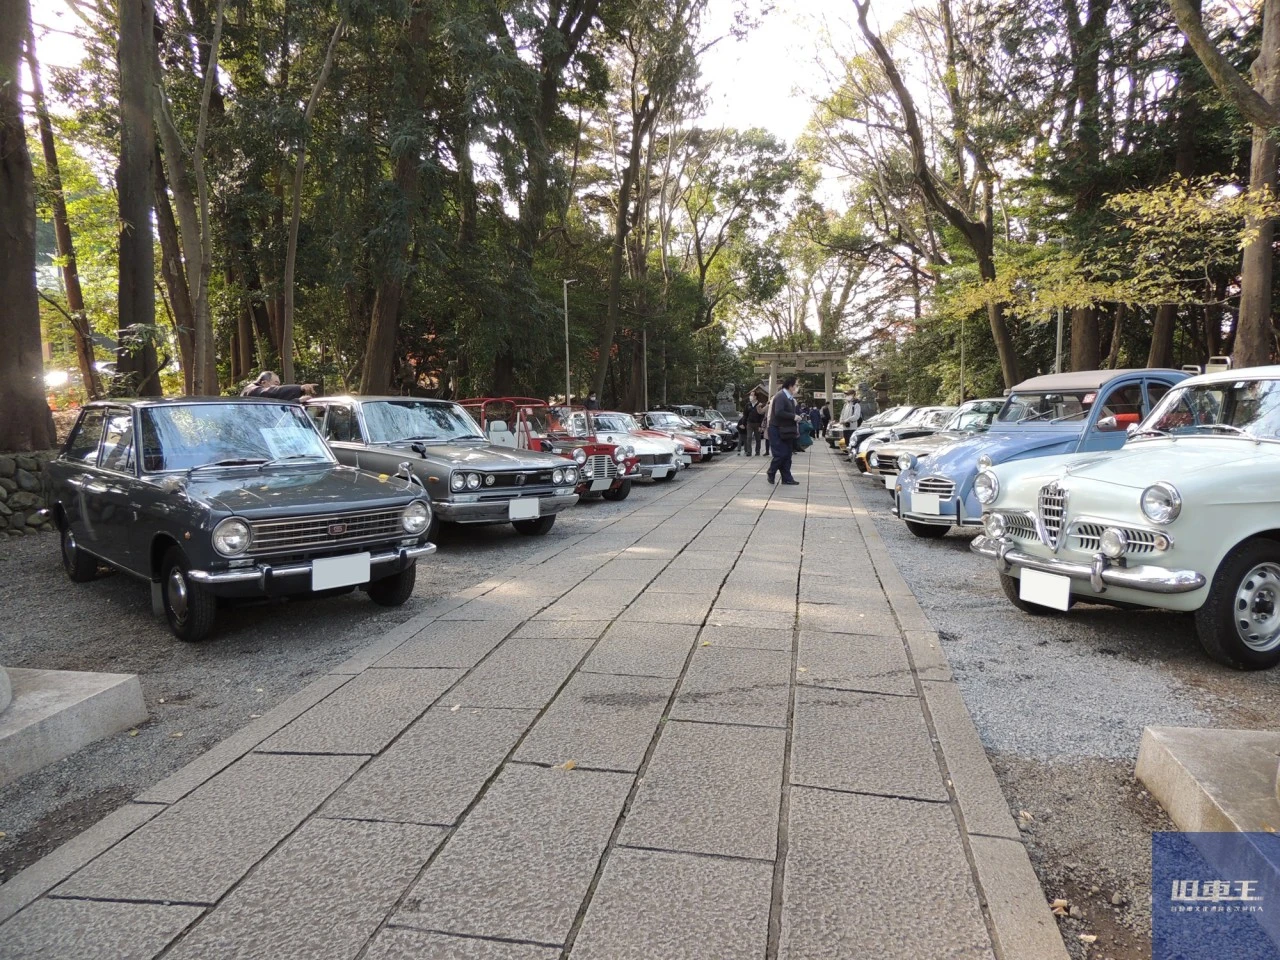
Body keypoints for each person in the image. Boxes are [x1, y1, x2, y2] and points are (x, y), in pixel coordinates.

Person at [767, 376, 802, 485]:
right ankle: (771, 472)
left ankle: (787, 478)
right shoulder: (780, 396)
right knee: (780, 454)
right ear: (790, 386)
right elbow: (779, 412)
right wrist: (793, 416)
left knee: (787, 455)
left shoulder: (790, 398)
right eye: (796, 385)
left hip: (787, 430)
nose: (797, 387)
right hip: (776, 429)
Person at [240, 371, 317, 400]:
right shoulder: (251, 390)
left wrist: (298, 401)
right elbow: (273, 392)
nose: (277, 387)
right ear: (264, 383)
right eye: (276, 384)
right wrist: (300, 388)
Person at [746, 389, 766, 456]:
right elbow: (745, 414)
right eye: (750, 395)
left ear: (755, 397)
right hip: (749, 423)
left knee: (758, 439)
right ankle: (749, 452)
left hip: (757, 424)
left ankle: (757, 451)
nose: (750, 396)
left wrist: (760, 425)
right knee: (749, 437)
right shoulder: (748, 405)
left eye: (751, 395)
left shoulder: (759, 405)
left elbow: (762, 415)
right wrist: (743, 423)